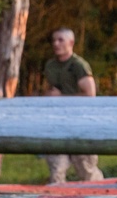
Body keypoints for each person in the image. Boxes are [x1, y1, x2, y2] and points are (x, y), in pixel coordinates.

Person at [42, 27, 104, 184]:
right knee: (57, 169)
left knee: (86, 169)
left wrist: (61, 97)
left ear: (71, 43)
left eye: (60, 40)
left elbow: (90, 95)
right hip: (56, 125)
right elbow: (49, 91)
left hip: (80, 124)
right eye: (54, 40)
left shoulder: (78, 65)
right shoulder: (50, 65)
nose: (56, 44)